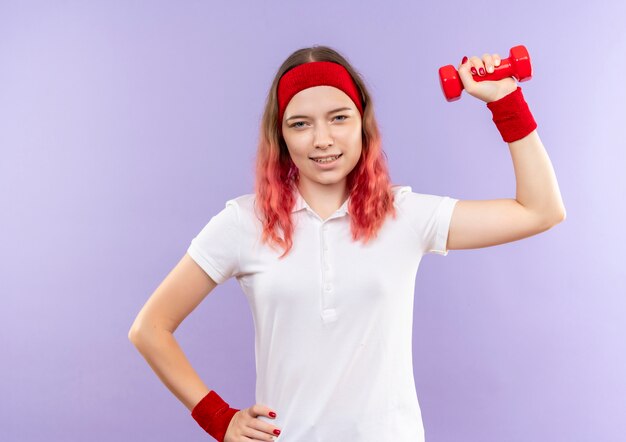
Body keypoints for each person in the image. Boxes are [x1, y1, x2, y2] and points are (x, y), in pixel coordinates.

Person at [129, 45, 566, 442]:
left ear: (363, 125)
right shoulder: (243, 222)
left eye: (339, 117)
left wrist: (505, 100)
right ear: (280, 135)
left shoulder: (405, 215)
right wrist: (219, 419)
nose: (322, 139)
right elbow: (150, 328)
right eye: (300, 124)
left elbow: (540, 210)